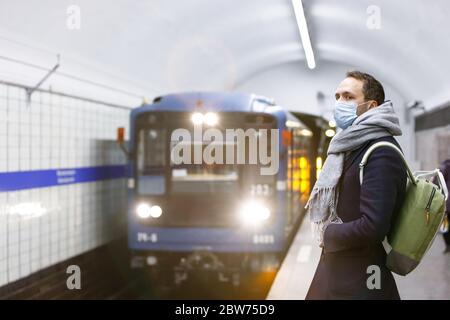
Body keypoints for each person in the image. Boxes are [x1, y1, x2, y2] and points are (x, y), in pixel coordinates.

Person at [305, 71, 407, 300]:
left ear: (371, 106)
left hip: (359, 277)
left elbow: (373, 226)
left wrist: (328, 232)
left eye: (348, 97)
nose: (340, 103)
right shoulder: (353, 144)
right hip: (340, 270)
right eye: (338, 96)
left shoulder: (380, 151)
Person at [439, 159, 450, 253]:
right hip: (446, 204)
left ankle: (447, 245)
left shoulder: (443, 167)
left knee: (445, 226)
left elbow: (436, 182)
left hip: (446, 205)